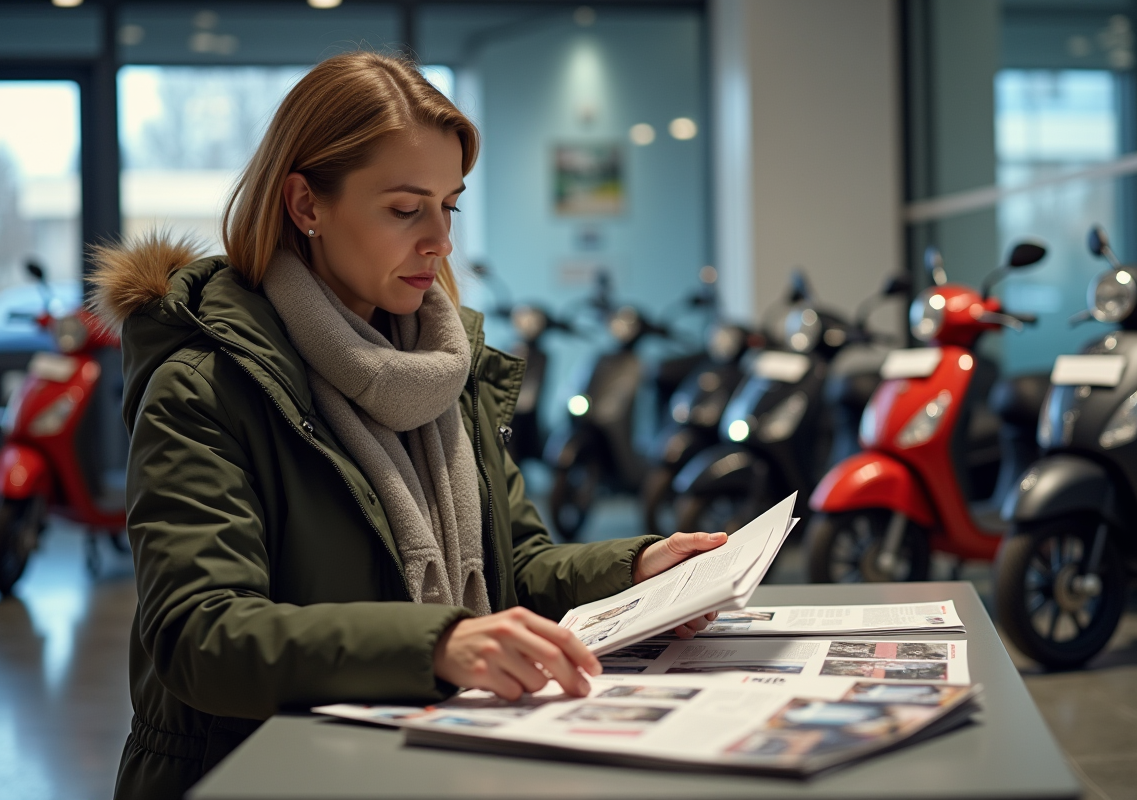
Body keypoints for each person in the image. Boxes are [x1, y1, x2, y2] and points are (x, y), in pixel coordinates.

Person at [92, 52, 726, 800]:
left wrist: (638, 569)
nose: (440, 240)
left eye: (448, 206)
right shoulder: (203, 388)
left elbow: (513, 568)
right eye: (404, 209)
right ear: (306, 206)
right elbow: (201, 638)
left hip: (429, 759)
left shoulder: (444, 370)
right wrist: (439, 643)